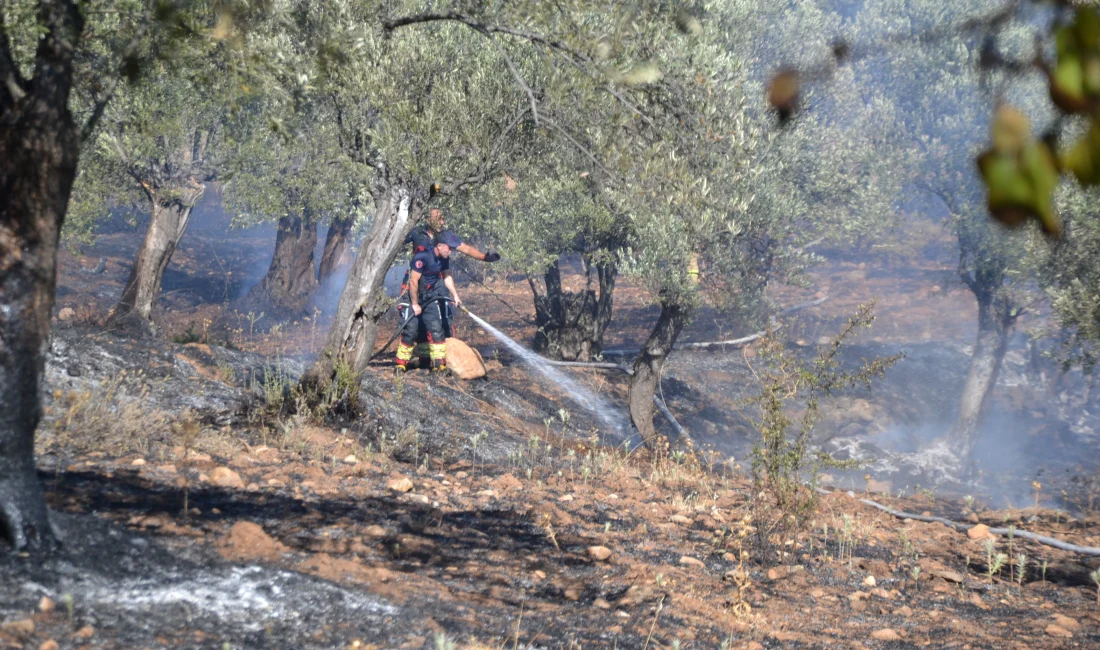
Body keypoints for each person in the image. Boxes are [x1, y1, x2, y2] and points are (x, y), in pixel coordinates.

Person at [399, 207, 500, 367]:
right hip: (417, 280)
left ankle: (445, 358)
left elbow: (465, 248)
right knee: (415, 321)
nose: (442, 221)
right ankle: (422, 357)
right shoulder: (416, 232)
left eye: (443, 218)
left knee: (444, 317)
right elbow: (395, 243)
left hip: (438, 282)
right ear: (427, 220)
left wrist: (484, 257)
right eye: (438, 218)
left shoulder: (446, 236)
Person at [395, 234, 462, 375]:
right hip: (411, 296)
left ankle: (438, 365)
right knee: (411, 329)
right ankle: (401, 364)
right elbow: (413, 282)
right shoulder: (422, 257)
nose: (450, 251)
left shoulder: (444, 260)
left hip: (428, 297)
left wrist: (455, 295)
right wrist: (415, 304)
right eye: (449, 248)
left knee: (436, 328)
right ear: (439, 246)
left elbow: (447, 276)